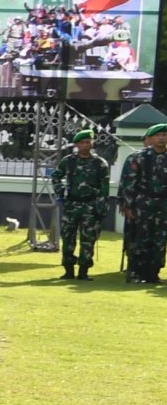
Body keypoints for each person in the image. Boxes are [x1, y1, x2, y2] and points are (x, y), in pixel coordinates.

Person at [52, 126, 112, 279]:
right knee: (68, 238)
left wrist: (102, 206)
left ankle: (84, 271)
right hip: (71, 205)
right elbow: (56, 177)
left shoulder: (100, 163)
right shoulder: (69, 161)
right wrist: (61, 191)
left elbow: (105, 187)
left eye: (89, 142)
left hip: (90, 206)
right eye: (83, 142)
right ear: (77, 145)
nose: (86, 145)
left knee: (88, 240)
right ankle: (68, 270)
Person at [117, 119, 167, 284]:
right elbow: (127, 183)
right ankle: (135, 273)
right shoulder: (137, 158)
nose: (161, 138)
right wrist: (127, 206)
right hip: (141, 204)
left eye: (164, 135)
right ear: (150, 138)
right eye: (158, 135)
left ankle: (153, 273)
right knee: (138, 239)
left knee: (159, 240)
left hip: (163, 205)